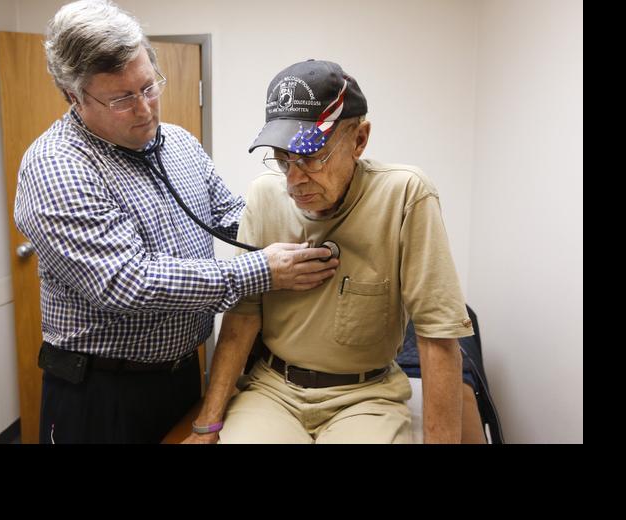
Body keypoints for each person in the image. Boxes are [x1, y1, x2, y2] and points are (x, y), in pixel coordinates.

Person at [14, 0, 338, 444]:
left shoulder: (179, 143)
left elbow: (230, 216)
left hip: (182, 375)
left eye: (149, 87)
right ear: (74, 96)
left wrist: (311, 217)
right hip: (102, 391)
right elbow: (127, 282)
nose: (145, 109)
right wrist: (262, 270)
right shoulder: (57, 166)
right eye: (122, 99)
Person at [185, 59, 473, 444]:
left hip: (365, 397)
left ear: (359, 140)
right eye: (284, 159)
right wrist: (207, 425)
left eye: (310, 157)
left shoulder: (405, 195)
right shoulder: (265, 194)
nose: (294, 181)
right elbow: (243, 319)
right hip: (274, 391)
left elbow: (438, 333)